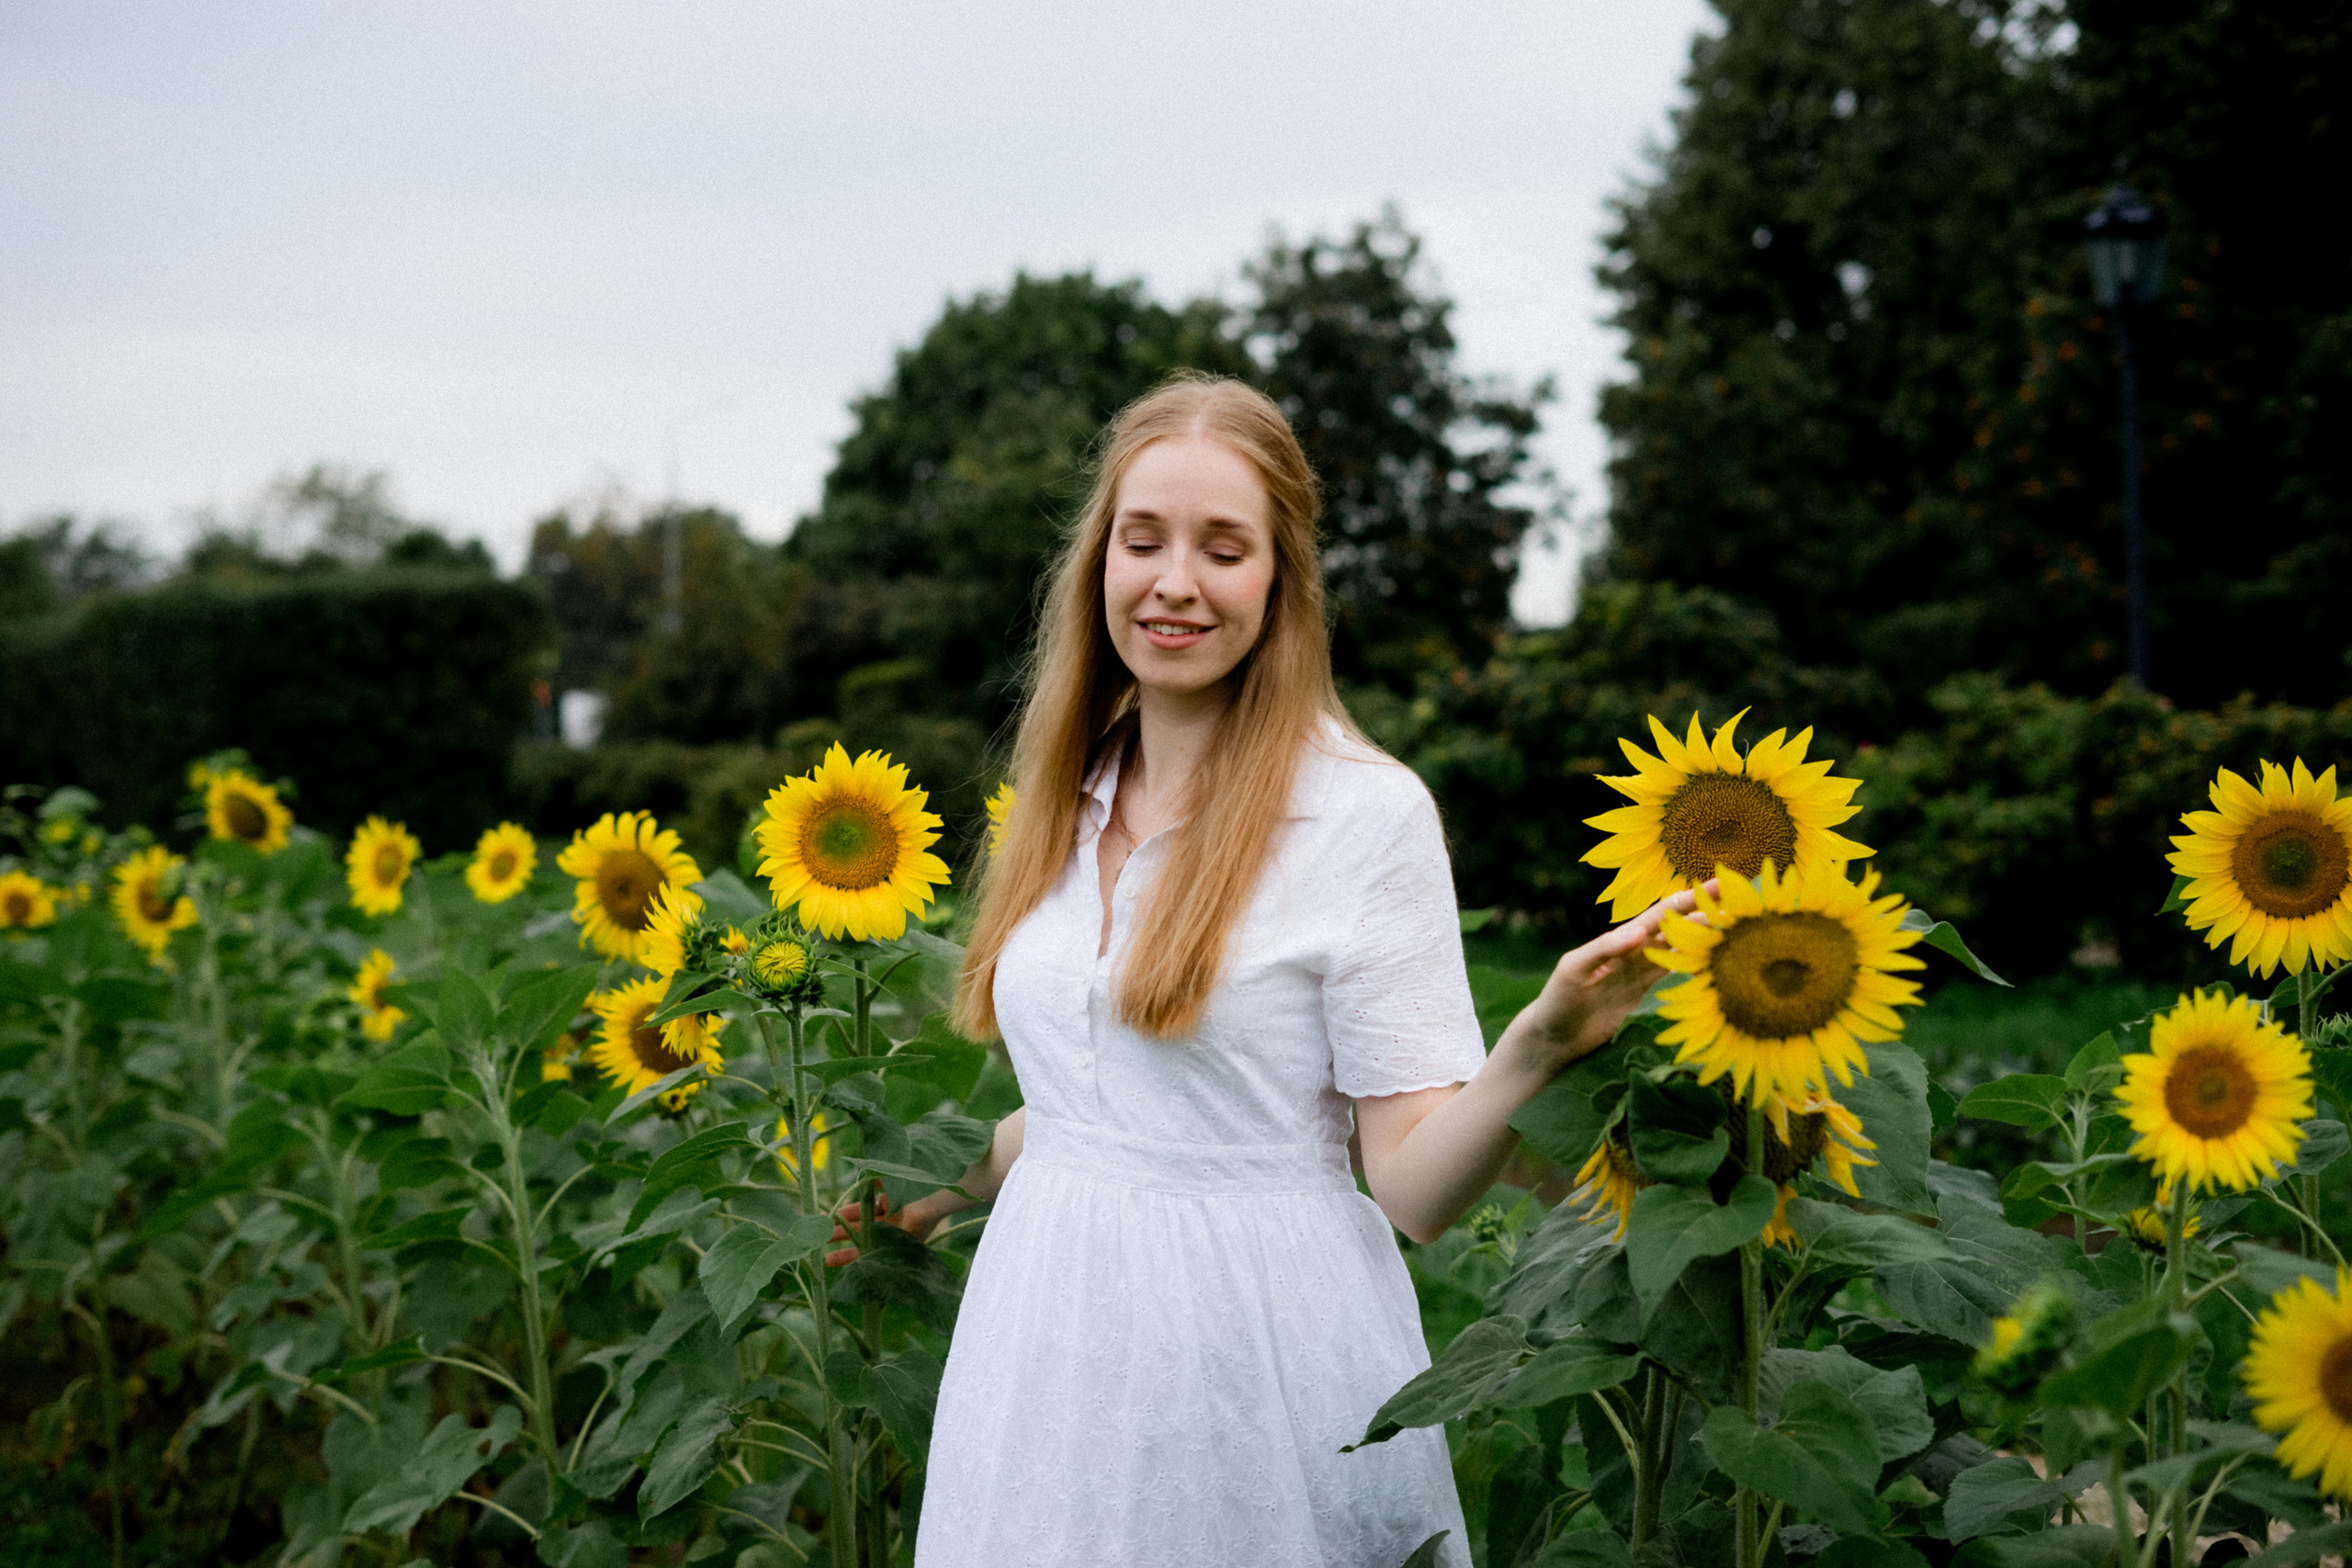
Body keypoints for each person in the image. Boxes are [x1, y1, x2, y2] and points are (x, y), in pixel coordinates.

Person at [883, 373, 1696, 1567]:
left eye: (1223, 550)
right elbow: (1088, 1109)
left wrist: (1538, 1043)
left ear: (1281, 580)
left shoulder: (1362, 816)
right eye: (1142, 540)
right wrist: (935, 1195)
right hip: (1040, 1357)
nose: (1174, 582)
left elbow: (1413, 1188)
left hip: (1244, 1368)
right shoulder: (1058, 796)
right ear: (1097, 561)